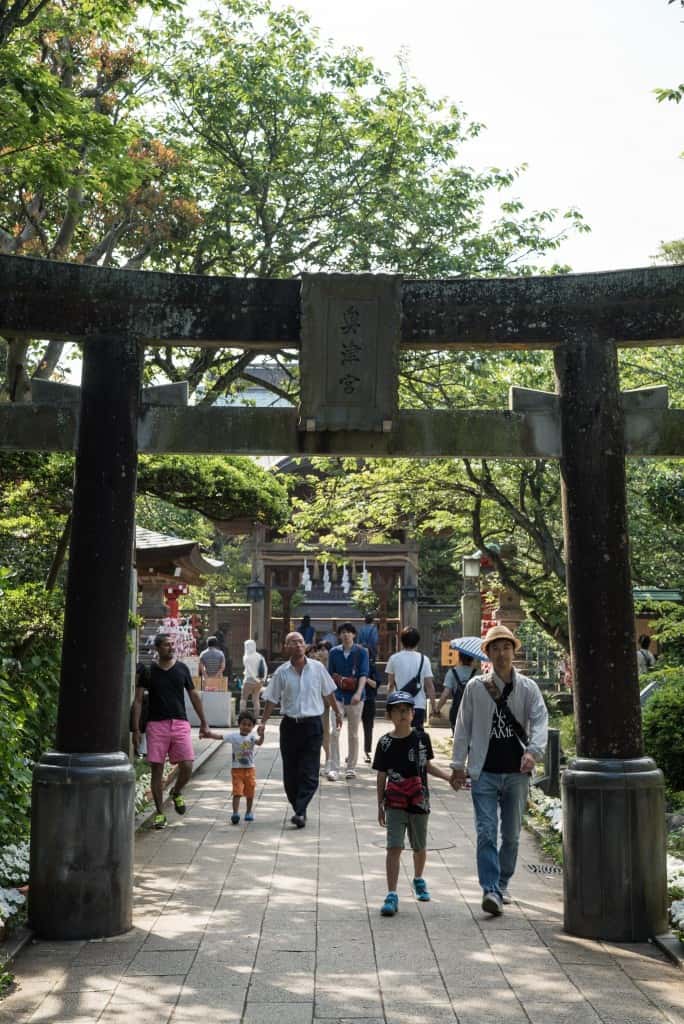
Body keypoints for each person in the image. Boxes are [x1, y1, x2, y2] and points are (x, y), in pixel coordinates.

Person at [450, 624, 548, 916]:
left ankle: (503, 882)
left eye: (507, 647)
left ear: (513, 651)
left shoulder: (528, 688)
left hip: (517, 773)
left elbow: (541, 721)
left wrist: (533, 752)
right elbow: (463, 727)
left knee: (513, 835)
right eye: (496, 648)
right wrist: (457, 766)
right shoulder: (476, 688)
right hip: (485, 772)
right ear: (488, 654)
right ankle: (490, 889)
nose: (502, 653)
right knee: (486, 832)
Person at [373, 690, 456, 917]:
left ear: (412, 713)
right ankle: (391, 893)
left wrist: (449, 777)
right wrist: (380, 803)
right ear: (389, 714)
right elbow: (381, 775)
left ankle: (418, 878)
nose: (403, 714)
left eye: (407, 710)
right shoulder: (385, 742)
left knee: (419, 846)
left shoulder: (422, 738)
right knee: (394, 846)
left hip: (420, 799)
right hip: (395, 802)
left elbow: (427, 766)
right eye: (398, 710)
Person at [259, 631, 342, 828]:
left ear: (305, 646)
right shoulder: (281, 672)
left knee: (309, 770)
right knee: (291, 772)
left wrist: (338, 713)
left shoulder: (317, 668)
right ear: (285, 647)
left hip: (312, 725)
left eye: (300, 642)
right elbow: (271, 699)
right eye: (292, 642)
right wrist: (262, 723)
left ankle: (300, 810)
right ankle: (299, 808)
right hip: (290, 726)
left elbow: (328, 691)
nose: (297, 645)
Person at [132, 633, 211, 830]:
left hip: (180, 723)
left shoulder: (182, 669)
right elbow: (139, 701)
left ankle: (176, 792)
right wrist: (135, 729)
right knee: (156, 770)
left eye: (172, 644)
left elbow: (193, 695)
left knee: (187, 764)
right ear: (157, 648)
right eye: (166, 645)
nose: (171, 647)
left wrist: (204, 722)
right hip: (156, 725)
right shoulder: (149, 672)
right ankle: (159, 813)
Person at [327, 622, 370, 781]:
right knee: (334, 731)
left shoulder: (361, 652)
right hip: (337, 695)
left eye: (349, 632)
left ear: (354, 634)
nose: (345, 635)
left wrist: (358, 692)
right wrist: (329, 695)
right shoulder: (334, 652)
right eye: (342, 632)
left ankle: (351, 767)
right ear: (339, 635)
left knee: (353, 733)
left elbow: (364, 674)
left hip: (355, 697)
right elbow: (330, 675)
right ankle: (334, 768)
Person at [205, 710, 264, 824]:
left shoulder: (252, 738)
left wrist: (262, 735)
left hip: (250, 769)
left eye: (249, 725)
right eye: (243, 724)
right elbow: (220, 736)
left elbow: (260, 742)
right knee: (237, 792)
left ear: (252, 727)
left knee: (250, 792)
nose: (246, 727)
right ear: (239, 724)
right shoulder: (233, 736)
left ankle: (248, 812)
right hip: (237, 770)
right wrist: (209, 734)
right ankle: (235, 813)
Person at [385, 626, 436, 731]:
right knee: (416, 737)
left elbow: (390, 685)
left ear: (401, 641)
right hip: (418, 705)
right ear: (417, 642)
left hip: (399, 704)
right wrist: (434, 707)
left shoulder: (394, 658)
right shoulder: (424, 659)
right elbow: (429, 686)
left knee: (400, 735)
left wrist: (388, 706)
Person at [435, 637, 483, 730]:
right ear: (473, 658)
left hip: (457, 712)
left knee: (458, 740)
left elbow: (445, 694)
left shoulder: (452, 672)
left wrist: (437, 709)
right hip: (475, 712)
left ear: (459, 657)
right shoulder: (479, 673)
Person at [242, 639, 268, 715]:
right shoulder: (260, 656)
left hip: (249, 680)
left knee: (243, 699)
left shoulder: (246, 657)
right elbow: (265, 668)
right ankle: (256, 717)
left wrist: (255, 679)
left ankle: (242, 716)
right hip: (259, 682)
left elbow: (249, 670)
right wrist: (263, 679)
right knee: (256, 700)